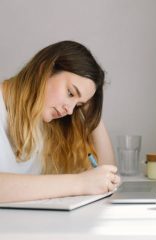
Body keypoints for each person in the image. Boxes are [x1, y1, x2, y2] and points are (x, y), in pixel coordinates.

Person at [0, 40, 121, 203]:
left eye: (77, 105)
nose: (69, 111)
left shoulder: (47, 122)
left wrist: (91, 112)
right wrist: (80, 183)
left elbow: (107, 176)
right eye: (70, 93)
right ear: (44, 70)